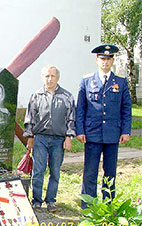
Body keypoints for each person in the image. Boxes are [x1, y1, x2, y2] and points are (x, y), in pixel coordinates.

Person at [76, 44, 132, 209]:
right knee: (90, 172)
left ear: (112, 60)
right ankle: (88, 205)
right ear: (97, 60)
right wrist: (80, 130)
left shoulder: (120, 82)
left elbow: (126, 109)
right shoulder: (87, 81)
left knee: (110, 172)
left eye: (108, 59)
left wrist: (126, 131)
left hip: (112, 134)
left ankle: (108, 205)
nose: (105, 62)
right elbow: (81, 109)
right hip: (92, 133)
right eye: (102, 59)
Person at [24, 65, 75, 212]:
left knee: (55, 170)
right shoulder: (36, 96)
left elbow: (71, 119)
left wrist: (69, 137)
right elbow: (30, 118)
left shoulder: (67, 96)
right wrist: (30, 137)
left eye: (52, 76)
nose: (50, 79)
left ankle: (51, 200)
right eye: (47, 76)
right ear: (42, 77)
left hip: (59, 140)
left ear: (58, 78)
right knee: (38, 170)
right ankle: (37, 201)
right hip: (40, 138)